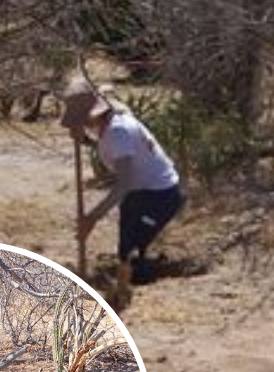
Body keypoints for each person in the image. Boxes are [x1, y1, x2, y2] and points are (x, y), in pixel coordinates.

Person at [61, 79, 184, 296]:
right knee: (125, 246)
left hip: (160, 194)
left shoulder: (118, 131)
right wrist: (85, 140)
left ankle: (129, 287)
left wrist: (92, 218)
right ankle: (131, 271)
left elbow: (123, 183)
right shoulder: (108, 124)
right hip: (140, 191)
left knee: (132, 247)